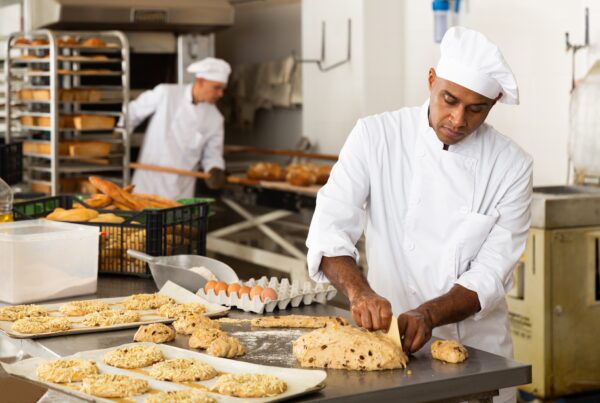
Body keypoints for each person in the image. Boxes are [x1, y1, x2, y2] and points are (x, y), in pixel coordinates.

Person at [306, 27, 532, 403]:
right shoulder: (376, 136)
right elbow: (329, 228)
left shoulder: (511, 165)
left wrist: (428, 314)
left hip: (474, 357)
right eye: (449, 100)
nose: (459, 119)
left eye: (476, 108)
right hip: (387, 347)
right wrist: (360, 294)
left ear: (491, 107)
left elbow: (491, 274)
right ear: (431, 80)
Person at [128, 57, 231, 199]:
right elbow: (132, 112)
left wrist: (215, 169)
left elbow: (212, 154)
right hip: (147, 183)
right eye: (217, 88)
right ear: (200, 81)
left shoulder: (215, 118)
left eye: (222, 88)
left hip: (180, 191)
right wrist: (119, 140)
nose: (221, 94)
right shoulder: (166, 94)